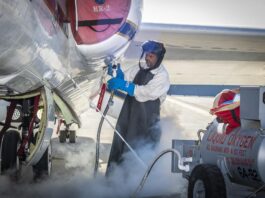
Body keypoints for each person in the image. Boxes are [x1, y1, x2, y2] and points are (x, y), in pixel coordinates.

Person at [105, 40, 170, 175]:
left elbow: (145, 93)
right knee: (120, 144)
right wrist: (118, 75)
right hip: (128, 114)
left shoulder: (162, 76)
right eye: (146, 55)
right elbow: (126, 78)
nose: (147, 58)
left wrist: (125, 86)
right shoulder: (141, 68)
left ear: (159, 58)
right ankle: (113, 180)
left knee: (139, 148)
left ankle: (136, 184)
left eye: (151, 56)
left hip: (146, 119)